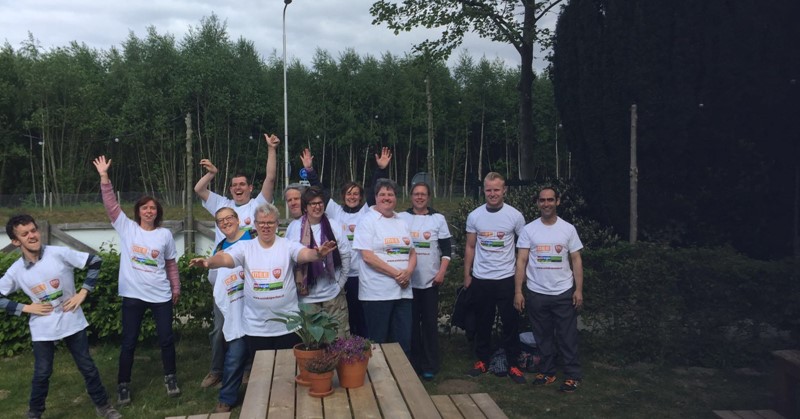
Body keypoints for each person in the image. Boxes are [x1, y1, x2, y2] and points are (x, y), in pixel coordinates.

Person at [0, 215, 122, 419]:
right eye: (25, 233)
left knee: (87, 367)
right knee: (42, 373)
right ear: (15, 241)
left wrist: (83, 293)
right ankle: (34, 414)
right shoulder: (16, 271)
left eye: (33, 230)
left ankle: (104, 407)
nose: (32, 235)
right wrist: (26, 308)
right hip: (42, 329)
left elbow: (95, 261)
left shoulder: (59, 253)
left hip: (72, 320)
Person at [189, 203, 338, 356]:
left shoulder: (287, 245)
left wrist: (317, 254)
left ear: (277, 224)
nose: (266, 226)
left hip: (288, 326)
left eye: (270, 222)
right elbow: (225, 258)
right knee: (260, 372)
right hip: (256, 327)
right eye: (262, 222)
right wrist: (209, 262)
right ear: (255, 224)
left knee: (285, 370)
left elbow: (304, 254)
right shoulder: (245, 247)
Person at [93, 155, 181, 405]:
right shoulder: (127, 228)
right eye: (145, 208)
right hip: (133, 296)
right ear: (139, 211)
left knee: (166, 339)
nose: (149, 211)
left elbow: (171, 264)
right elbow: (111, 205)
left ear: (157, 212)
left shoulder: (165, 235)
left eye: (153, 208)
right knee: (129, 342)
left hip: (161, 296)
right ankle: (123, 385)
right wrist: (104, 177)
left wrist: (176, 287)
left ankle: (170, 377)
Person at [193, 133, 278, 388]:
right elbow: (198, 189)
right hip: (223, 278)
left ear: (250, 188)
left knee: (250, 325)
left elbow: (271, 178)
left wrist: (271, 149)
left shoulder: (258, 205)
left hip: (250, 278)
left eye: (242, 184)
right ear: (230, 189)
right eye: (234, 185)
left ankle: (248, 369)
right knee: (220, 327)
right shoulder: (222, 204)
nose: (238, 188)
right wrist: (212, 173)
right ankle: (217, 369)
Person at [514, 187, 584, 392]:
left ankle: (572, 375)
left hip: (563, 292)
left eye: (550, 200)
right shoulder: (529, 230)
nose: (546, 204)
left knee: (567, 336)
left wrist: (578, 290)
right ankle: (547, 371)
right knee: (542, 336)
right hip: (537, 292)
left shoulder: (568, 229)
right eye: (542, 200)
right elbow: (522, 261)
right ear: (537, 203)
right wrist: (518, 291)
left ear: (558, 202)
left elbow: (576, 260)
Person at [464, 172, 527, 384]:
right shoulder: (475, 216)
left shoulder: (516, 216)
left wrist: (520, 281)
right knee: (483, 322)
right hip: (481, 279)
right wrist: (467, 275)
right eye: (489, 190)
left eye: (496, 190)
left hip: (506, 278)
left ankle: (513, 364)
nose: (492, 194)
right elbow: (470, 247)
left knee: (510, 323)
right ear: (484, 190)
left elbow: (523, 250)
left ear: (504, 190)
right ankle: (482, 360)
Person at [322, 147, 391, 337]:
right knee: (347, 315)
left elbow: (374, 189)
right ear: (343, 196)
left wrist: (381, 170)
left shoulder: (366, 210)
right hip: (343, 274)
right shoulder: (336, 211)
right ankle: (348, 348)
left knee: (363, 315)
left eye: (356, 194)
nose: (352, 197)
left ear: (360, 197)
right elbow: (321, 193)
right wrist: (310, 171)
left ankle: (365, 347)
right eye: (348, 194)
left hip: (363, 274)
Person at [352, 178, 416, 355]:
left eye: (390, 194)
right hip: (377, 294)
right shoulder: (367, 221)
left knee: (403, 342)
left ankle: (402, 380)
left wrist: (408, 272)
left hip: (403, 292)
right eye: (382, 194)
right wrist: (398, 274)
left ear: (396, 198)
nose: (386, 197)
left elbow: (412, 252)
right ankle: (379, 381)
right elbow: (368, 256)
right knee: (378, 343)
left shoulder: (402, 221)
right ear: (376, 197)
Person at [397, 182, 452, 380]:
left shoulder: (438, 219)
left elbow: (446, 251)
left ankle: (430, 365)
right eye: (416, 194)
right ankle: (413, 364)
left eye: (423, 194)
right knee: (410, 326)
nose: (419, 197)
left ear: (428, 197)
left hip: (430, 282)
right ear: (410, 196)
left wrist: (441, 273)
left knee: (429, 325)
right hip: (407, 283)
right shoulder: (401, 218)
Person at [206, 208, 256, 413]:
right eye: (220, 221)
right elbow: (214, 279)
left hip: (260, 308)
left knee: (270, 352)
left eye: (229, 218)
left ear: (237, 220)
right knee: (235, 354)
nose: (226, 222)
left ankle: (277, 390)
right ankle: (227, 397)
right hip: (236, 309)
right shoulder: (220, 247)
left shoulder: (253, 237)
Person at [285, 186, 352, 338]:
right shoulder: (294, 228)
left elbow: (346, 257)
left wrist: (339, 285)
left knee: (339, 341)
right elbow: (289, 260)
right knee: (312, 345)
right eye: (312, 203)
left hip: (333, 296)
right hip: (307, 298)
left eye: (320, 202)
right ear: (305, 207)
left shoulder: (334, 226)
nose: (317, 206)